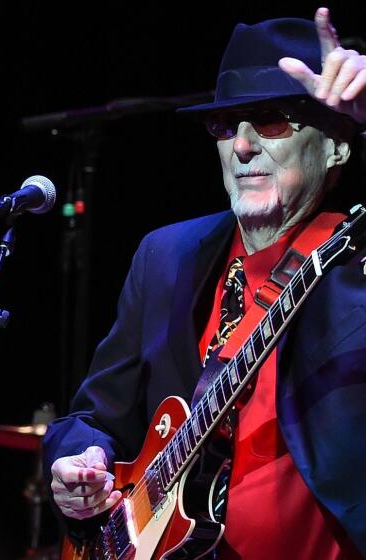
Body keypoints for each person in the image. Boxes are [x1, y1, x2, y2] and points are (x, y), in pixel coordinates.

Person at [42, 7, 366, 559]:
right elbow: (94, 417)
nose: (240, 146)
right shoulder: (165, 256)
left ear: (336, 145)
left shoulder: (355, 263)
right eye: (223, 125)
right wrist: (80, 461)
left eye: (269, 119)